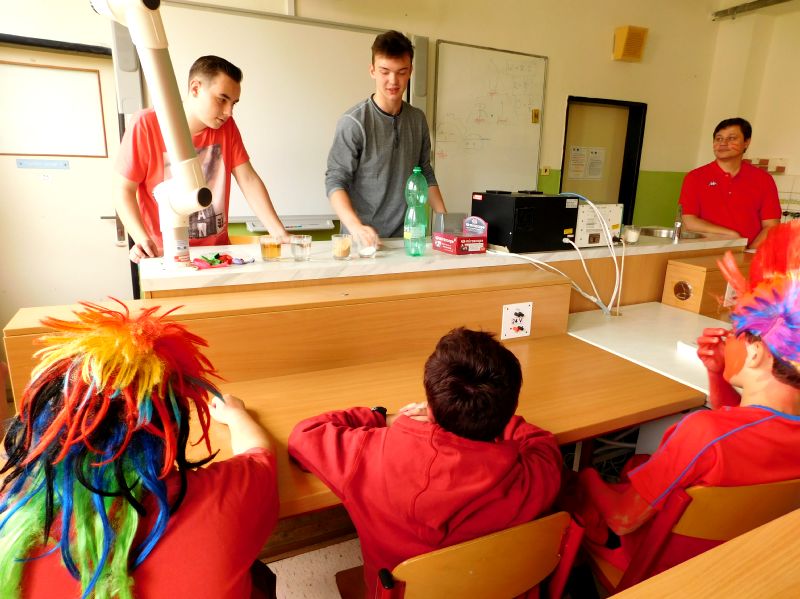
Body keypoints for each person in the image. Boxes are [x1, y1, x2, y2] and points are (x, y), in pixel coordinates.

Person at [0, 300, 279, 599]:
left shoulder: (12, 514)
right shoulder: (225, 497)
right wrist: (235, 414)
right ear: (172, 429)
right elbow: (260, 454)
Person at [571, 220, 800, 579]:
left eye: (736, 330)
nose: (728, 337)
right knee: (639, 465)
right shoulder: (735, 433)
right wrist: (716, 373)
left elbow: (623, 519)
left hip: (657, 571)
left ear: (756, 354)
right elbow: (739, 430)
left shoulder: (702, 433)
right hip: (735, 565)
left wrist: (586, 477)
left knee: (575, 484)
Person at [288, 327, 562, 594]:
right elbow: (541, 442)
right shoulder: (531, 478)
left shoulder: (368, 456)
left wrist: (384, 417)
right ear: (510, 408)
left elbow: (304, 435)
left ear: (430, 406)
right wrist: (489, 415)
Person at [116, 55, 288, 263]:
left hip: (217, 255)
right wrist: (141, 239)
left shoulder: (227, 128)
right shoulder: (146, 123)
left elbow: (248, 179)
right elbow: (124, 190)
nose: (229, 112)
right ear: (195, 88)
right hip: (166, 255)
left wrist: (279, 233)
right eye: (222, 99)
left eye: (233, 103)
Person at [325, 30, 447, 248]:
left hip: (406, 240)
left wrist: (446, 223)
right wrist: (356, 227)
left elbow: (425, 172)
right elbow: (335, 180)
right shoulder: (354, 122)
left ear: (410, 71)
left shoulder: (417, 119)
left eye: (401, 72)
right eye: (385, 72)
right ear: (372, 71)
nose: (393, 81)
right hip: (362, 243)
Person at [678, 117, 780, 248]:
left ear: (746, 142)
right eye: (719, 138)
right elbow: (688, 221)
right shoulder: (695, 177)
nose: (723, 143)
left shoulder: (763, 179)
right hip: (703, 252)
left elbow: (771, 226)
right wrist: (731, 234)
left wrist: (747, 253)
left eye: (731, 138)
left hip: (748, 254)